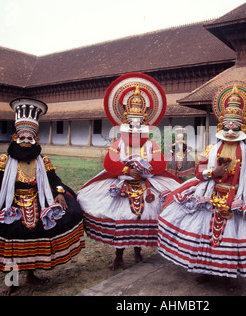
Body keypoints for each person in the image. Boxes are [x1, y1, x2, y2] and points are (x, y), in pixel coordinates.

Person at [158, 82, 246, 281]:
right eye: (227, 126)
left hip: (240, 196)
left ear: (242, 127)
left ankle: (229, 276)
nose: (231, 131)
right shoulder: (211, 150)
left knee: (233, 241)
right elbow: (199, 173)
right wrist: (213, 172)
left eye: (235, 127)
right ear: (221, 127)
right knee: (204, 235)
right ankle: (205, 270)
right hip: (211, 194)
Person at [0, 98, 85, 295]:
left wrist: (59, 194)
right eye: (21, 138)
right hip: (11, 203)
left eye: (29, 138)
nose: (25, 142)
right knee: (10, 243)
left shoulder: (43, 160)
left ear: (35, 140)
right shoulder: (5, 160)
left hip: (38, 201)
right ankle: (12, 281)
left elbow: (55, 179)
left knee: (36, 237)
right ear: (16, 138)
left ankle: (31, 274)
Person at [77, 73, 182, 270]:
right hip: (122, 184)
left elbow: (160, 165)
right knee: (120, 219)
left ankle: (138, 251)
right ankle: (118, 256)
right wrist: (127, 170)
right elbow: (109, 163)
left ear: (145, 124)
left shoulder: (151, 144)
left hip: (147, 184)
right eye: (132, 123)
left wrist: (143, 170)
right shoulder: (118, 143)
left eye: (139, 123)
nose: (135, 126)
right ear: (125, 123)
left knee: (143, 218)